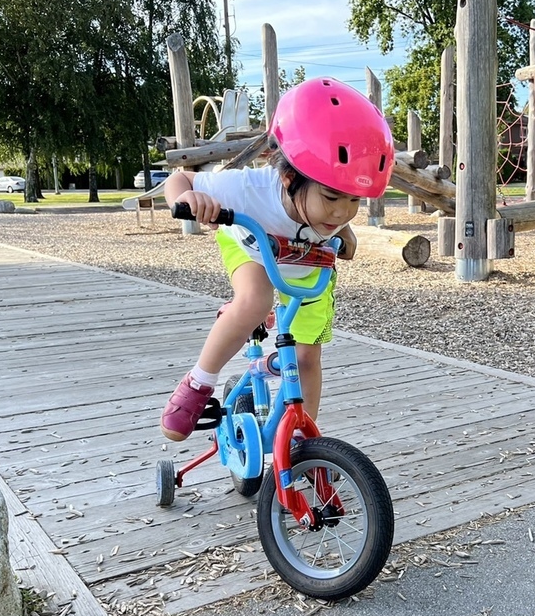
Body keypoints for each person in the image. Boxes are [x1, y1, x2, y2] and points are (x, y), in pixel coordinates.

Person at [160, 77, 395, 442]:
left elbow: (336, 224)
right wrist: (189, 200)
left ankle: (305, 440)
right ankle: (199, 381)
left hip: (306, 260)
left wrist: (342, 233)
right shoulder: (247, 189)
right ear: (287, 178)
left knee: (306, 358)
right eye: (333, 198)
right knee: (255, 300)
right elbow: (179, 178)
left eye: (355, 201)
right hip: (251, 243)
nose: (343, 211)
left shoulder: (331, 212)